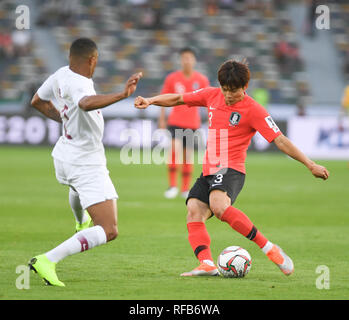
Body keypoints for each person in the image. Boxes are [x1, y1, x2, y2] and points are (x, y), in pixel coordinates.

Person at [135, 59, 329, 277]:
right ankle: (207, 263)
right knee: (193, 211)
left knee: (218, 206)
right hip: (209, 169)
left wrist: (310, 164)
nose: (228, 95)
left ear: (245, 87)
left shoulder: (254, 110)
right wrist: (151, 100)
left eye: (233, 90)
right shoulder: (212, 95)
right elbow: (179, 98)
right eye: (224, 89)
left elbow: (280, 139)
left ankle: (271, 249)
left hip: (231, 169)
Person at [28, 38, 142, 286]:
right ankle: (47, 260)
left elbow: (37, 101)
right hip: (85, 162)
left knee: (75, 187)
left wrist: (65, 121)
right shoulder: (81, 84)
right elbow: (85, 103)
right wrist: (123, 94)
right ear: (93, 60)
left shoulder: (61, 74)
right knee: (109, 230)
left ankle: (80, 222)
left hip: (65, 153)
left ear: (70, 57)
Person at [158, 47, 210, 199]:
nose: (187, 60)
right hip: (175, 121)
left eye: (189, 57)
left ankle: (185, 189)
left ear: (194, 60)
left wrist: (212, 120)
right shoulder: (172, 78)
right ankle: (172, 186)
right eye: (184, 58)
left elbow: (208, 101)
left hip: (193, 123)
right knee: (175, 150)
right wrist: (162, 118)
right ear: (180, 60)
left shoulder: (201, 80)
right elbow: (163, 98)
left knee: (188, 156)